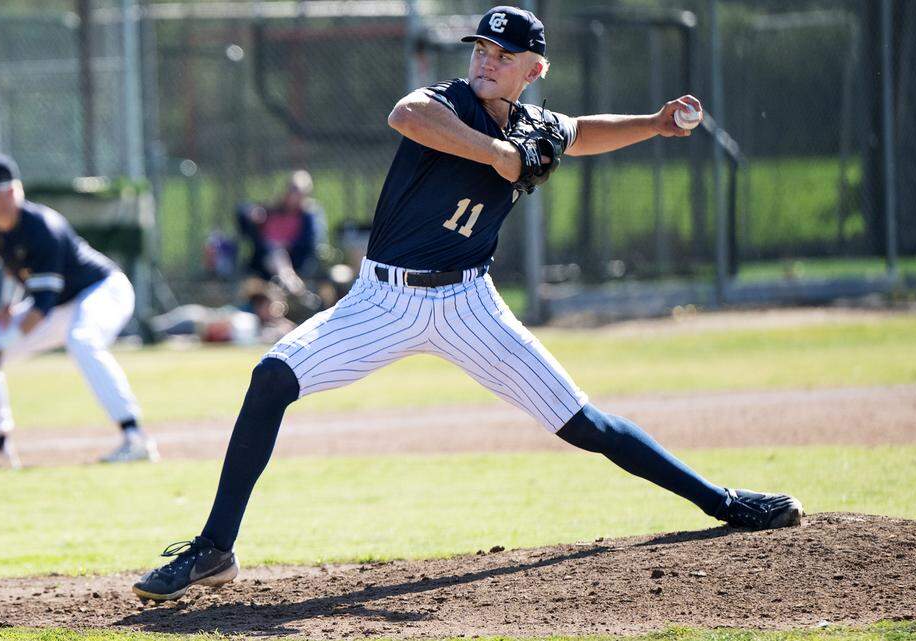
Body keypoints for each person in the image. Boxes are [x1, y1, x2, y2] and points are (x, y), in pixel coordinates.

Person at [132, 6, 802, 601]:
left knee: (584, 423)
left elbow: (582, 131)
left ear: (533, 69)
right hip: (382, 299)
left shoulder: (538, 125)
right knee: (271, 377)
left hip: (469, 306)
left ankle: (723, 501)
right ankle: (214, 547)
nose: (485, 60)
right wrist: (497, 154)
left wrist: (655, 125)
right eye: (480, 48)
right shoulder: (445, 100)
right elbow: (405, 115)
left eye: (502, 55)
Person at [0, 153, 158, 469]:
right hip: (62, 303)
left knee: (81, 339)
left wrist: (6, 343)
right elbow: (14, 270)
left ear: (11, 192)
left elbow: (40, 310)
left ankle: (135, 438)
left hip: (102, 290)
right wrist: (6, 308)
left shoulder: (42, 228)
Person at [236, 169, 325, 307]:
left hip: (295, 260)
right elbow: (241, 212)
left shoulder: (308, 215)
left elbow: (311, 242)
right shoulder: (272, 209)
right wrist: (251, 213)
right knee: (276, 253)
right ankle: (295, 288)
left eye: (299, 191)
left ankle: (288, 282)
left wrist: (288, 244)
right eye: (292, 189)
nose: (294, 194)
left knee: (279, 253)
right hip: (265, 260)